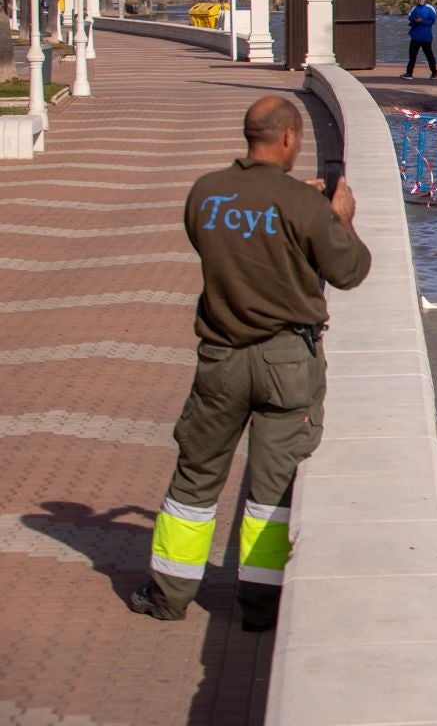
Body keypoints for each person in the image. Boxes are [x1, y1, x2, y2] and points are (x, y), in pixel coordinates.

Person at [129, 96, 371, 631]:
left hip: (220, 358)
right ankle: (261, 608)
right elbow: (350, 270)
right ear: (288, 138)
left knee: (195, 479)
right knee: (273, 488)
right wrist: (338, 218)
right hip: (287, 360)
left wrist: (287, 214)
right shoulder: (305, 206)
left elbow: (227, 240)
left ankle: (168, 596)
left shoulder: (205, 192)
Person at [404, 0, 437, 78]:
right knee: (412, 56)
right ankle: (409, 73)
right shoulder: (414, 9)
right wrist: (414, 20)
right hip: (415, 36)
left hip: (426, 37)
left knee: (429, 55)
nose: (420, 0)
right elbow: (410, 19)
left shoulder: (430, 8)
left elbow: (433, 21)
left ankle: (434, 72)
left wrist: (422, 21)